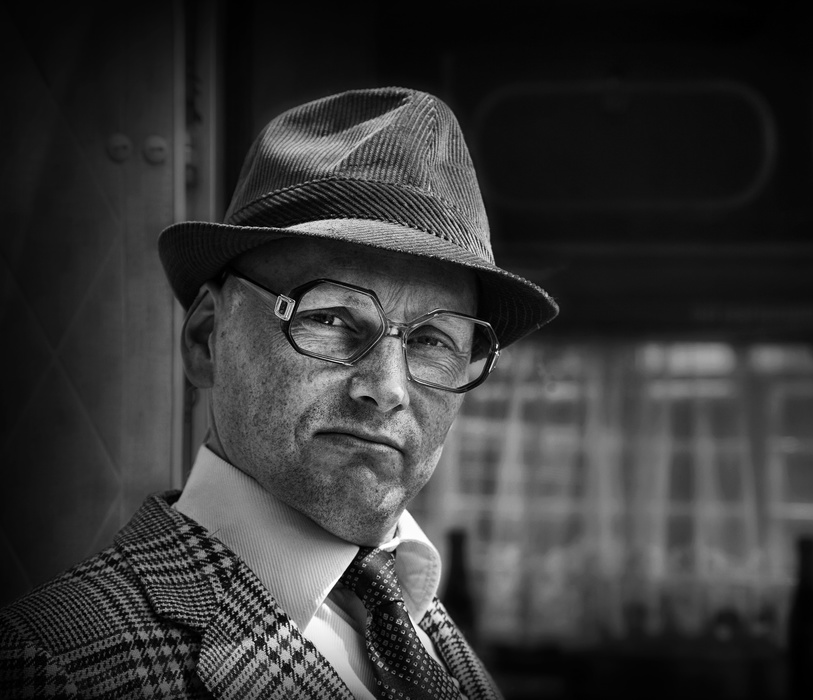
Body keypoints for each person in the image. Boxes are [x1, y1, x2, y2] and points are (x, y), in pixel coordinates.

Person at [0, 86, 558, 699]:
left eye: (432, 341)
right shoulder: (51, 668)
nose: (387, 388)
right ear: (207, 338)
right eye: (331, 319)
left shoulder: (424, 630)